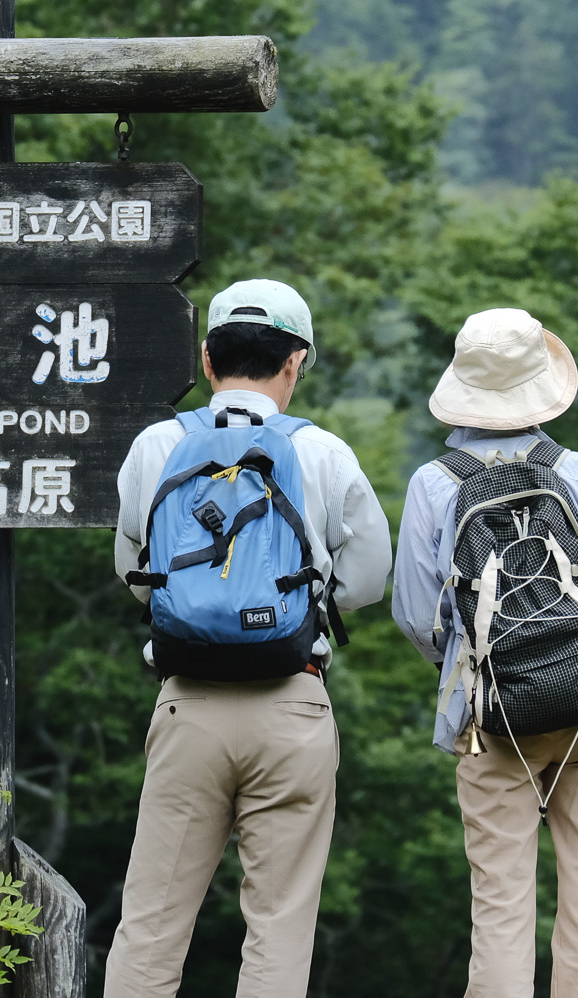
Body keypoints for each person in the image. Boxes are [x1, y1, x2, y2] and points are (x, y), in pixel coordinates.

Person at [104, 278, 392, 998]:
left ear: (206, 360)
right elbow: (367, 581)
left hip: (188, 708)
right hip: (292, 706)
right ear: (295, 360)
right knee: (278, 926)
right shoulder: (324, 452)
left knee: (151, 921)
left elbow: (137, 574)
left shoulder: (157, 445)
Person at [392, 307, 578, 998]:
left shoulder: (434, 484)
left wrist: (481, 664)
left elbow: (416, 616)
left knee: (500, 908)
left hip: (493, 715)